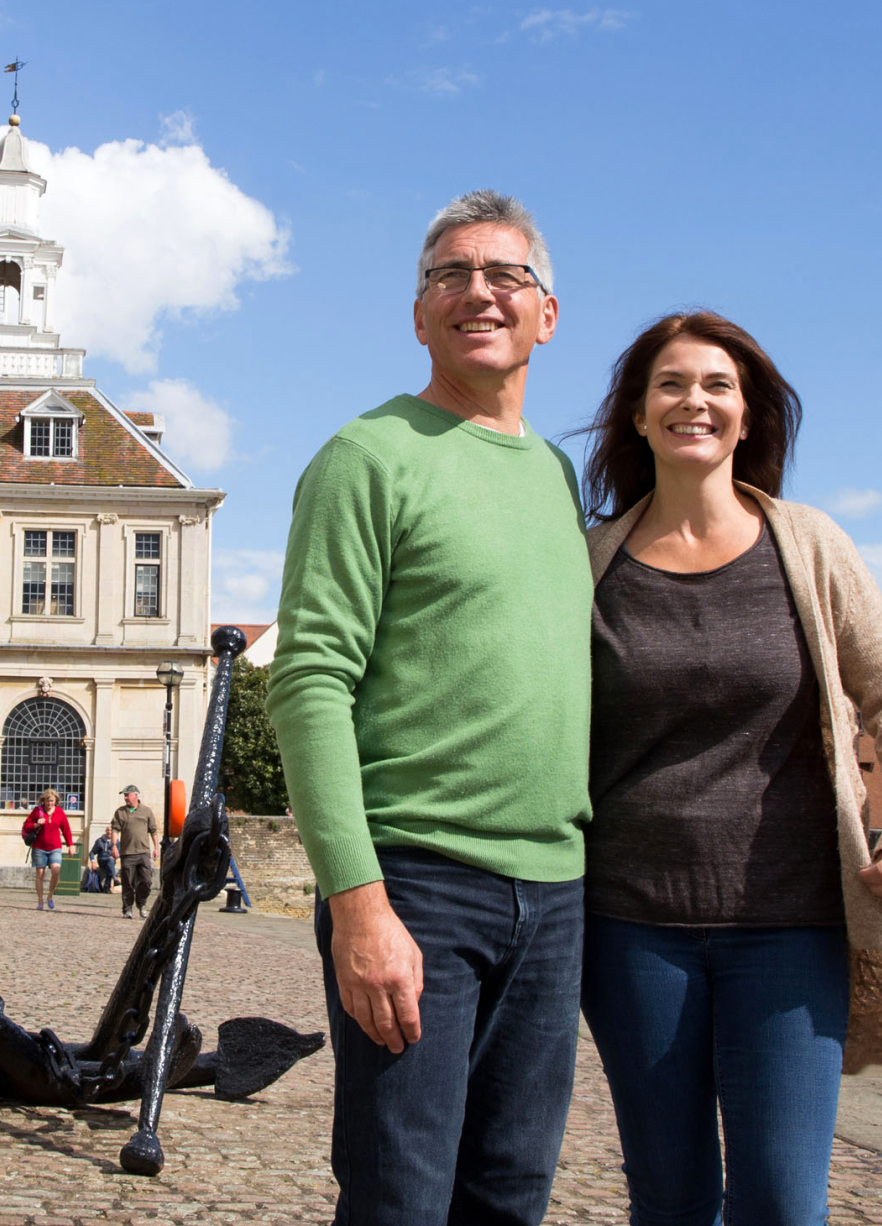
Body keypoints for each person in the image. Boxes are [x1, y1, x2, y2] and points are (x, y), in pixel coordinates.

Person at [575, 310, 882, 1226]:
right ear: (637, 414)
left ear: (748, 416)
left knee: (785, 1204)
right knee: (668, 1202)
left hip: (791, 926)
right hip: (632, 930)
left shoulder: (811, 544)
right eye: (670, 384)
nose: (694, 402)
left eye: (718, 385)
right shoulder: (590, 561)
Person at [268, 190, 593, 1223]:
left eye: (505, 276)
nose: (477, 293)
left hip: (555, 892)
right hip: (417, 886)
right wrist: (357, 905)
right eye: (449, 276)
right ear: (419, 317)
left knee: (509, 1194)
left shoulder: (556, 474)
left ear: (548, 313)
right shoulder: (368, 457)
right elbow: (310, 678)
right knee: (399, 1197)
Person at [110, 786, 161, 920]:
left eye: (128, 795)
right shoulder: (120, 812)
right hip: (127, 853)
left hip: (144, 852)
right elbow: (115, 829)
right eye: (124, 796)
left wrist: (156, 848)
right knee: (128, 883)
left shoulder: (146, 811)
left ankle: (141, 903)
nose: (125, 798)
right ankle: (127, 909)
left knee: (146, 881)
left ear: (136, 795)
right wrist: (114, 846)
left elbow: (153, 830)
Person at [22, 789, 74, 911]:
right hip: (39, 847)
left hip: (55, 847)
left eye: (52, 801)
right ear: (43, 801)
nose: (49, 803)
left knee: (56, 871)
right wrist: (36, 824)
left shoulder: (60, 812)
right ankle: (40, 900)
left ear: (56, 801)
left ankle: (50, 896)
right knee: (40, 874)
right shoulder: (37, 811)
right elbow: (26, 825)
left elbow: (66, 829)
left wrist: (70, 845)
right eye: (47, 801)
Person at [85, 828, 118, 894]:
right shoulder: (99, 841)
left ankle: (107, 887)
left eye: (111, 830)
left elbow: (119, 852)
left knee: (110, 863)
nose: (109, 832)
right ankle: (114, 879)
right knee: (110, 863)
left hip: (111, 860)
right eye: (108, 830)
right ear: (106, 831)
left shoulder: (116, 841)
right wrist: (93, 862)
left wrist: (115, 856)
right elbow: (92, 852)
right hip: (102, 860)